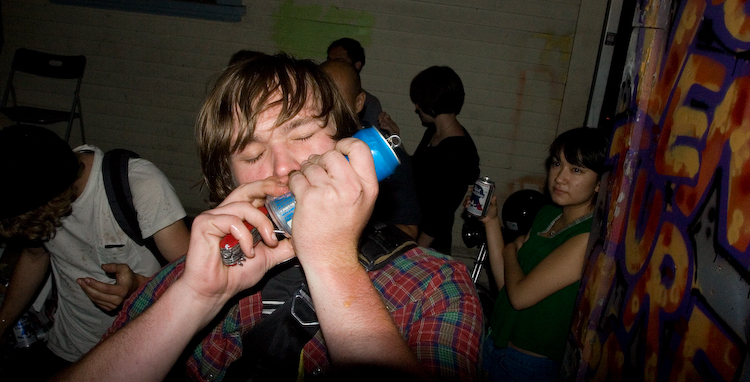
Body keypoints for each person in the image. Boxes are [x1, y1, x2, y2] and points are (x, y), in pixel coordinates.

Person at [56, 54, 482, 382]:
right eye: (252, 154)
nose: (282, 167)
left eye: (302, 134)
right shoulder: (193, 277)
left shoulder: (435, 286)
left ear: (348, 143)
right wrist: (196, 298)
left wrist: (331, 262)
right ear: (229, 181)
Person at [0, 125, 190, 376]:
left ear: (48, 202)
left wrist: (137, 287)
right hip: (68, 347)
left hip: (138, 353)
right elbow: (35, 256)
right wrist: (2, 323)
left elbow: (195, 279)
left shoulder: (139, 185)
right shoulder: (35, 188)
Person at [480, 127, 608, 382]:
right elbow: (507, 286)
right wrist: (491, 221)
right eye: (557, 163)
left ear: (599, 183)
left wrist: (509, 251)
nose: (560, 178)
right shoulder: (548, 214)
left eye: (576, 170)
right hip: (494, 344)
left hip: (528, 366)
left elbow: (521, 297)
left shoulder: (586, 237)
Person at [380, 66, 479, 255]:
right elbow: (416, 171)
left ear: (432, 101)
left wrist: (415, 253)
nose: (416, 107)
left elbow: (440, 215)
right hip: (412, 234)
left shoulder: (458, 151)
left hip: (429, 245)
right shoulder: (434, 132)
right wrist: (395, 135)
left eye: (419, 101)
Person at [320, 59, 421, 239]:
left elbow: (409, 231)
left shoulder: (382, 153)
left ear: (359, 102)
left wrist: (352, 229)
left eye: (336, 101)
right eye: (318, 99)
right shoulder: (301, 145)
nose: (325, 110)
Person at [326, 37, 383, 129]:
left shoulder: (370, 104)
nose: (332, 65)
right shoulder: (315, 94)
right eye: (329, 60)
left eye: (339, 61)